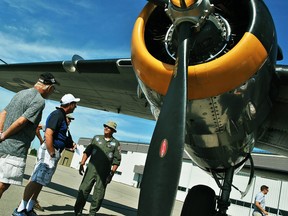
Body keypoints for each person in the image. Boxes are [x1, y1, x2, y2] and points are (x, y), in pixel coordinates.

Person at [13, 93, 80, 216]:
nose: (75, 106)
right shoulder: (57, 115)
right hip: (50, 151)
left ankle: (29, 208)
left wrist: (70, 144)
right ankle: (20, 209)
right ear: (70, 104)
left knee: (41, 180)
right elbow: (48, 134)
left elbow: (61, 136)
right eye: (74, 104)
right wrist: (51, 152)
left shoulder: (62, 116)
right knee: (35, 179)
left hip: (53, 151)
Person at [0, 73, 58, 199]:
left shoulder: (21, 93)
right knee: (3, 184)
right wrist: (4, 135)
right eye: (53, 89)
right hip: (15, 148)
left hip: (3, 146)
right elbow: (22, 121)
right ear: (48, 88)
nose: (52, 92)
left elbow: (4, 112)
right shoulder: (39, 101)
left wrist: (1, 133)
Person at [74, 121, 122, 216]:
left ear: (113, 130)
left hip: (104, 173)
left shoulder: (116, 143)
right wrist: (82, 163)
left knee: (98, 194)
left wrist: (111, 174)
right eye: (105, 126)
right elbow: (88, 151)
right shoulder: (96, 138)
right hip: (91, 169)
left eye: (109, 127)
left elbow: (117, 161)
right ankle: (78, 211)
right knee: (83, 189)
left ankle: (92, 213)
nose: (106, 128)